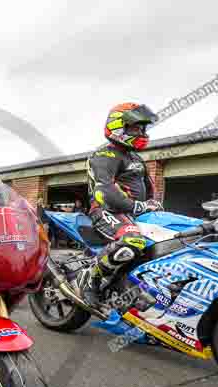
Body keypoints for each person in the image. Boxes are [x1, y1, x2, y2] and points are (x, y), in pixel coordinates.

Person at [76, 102, 162, 307]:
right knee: (133, 240)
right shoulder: (106, 154)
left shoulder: (135, 158)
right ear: (118, 127)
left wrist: (155, 206)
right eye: (135, 128)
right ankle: (90, 280)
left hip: (133, 213)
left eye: (142, 128)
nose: (140, 132)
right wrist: (137, 206)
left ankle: (132, 286)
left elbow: (150, 189)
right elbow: (104, 191)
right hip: (107, 210)